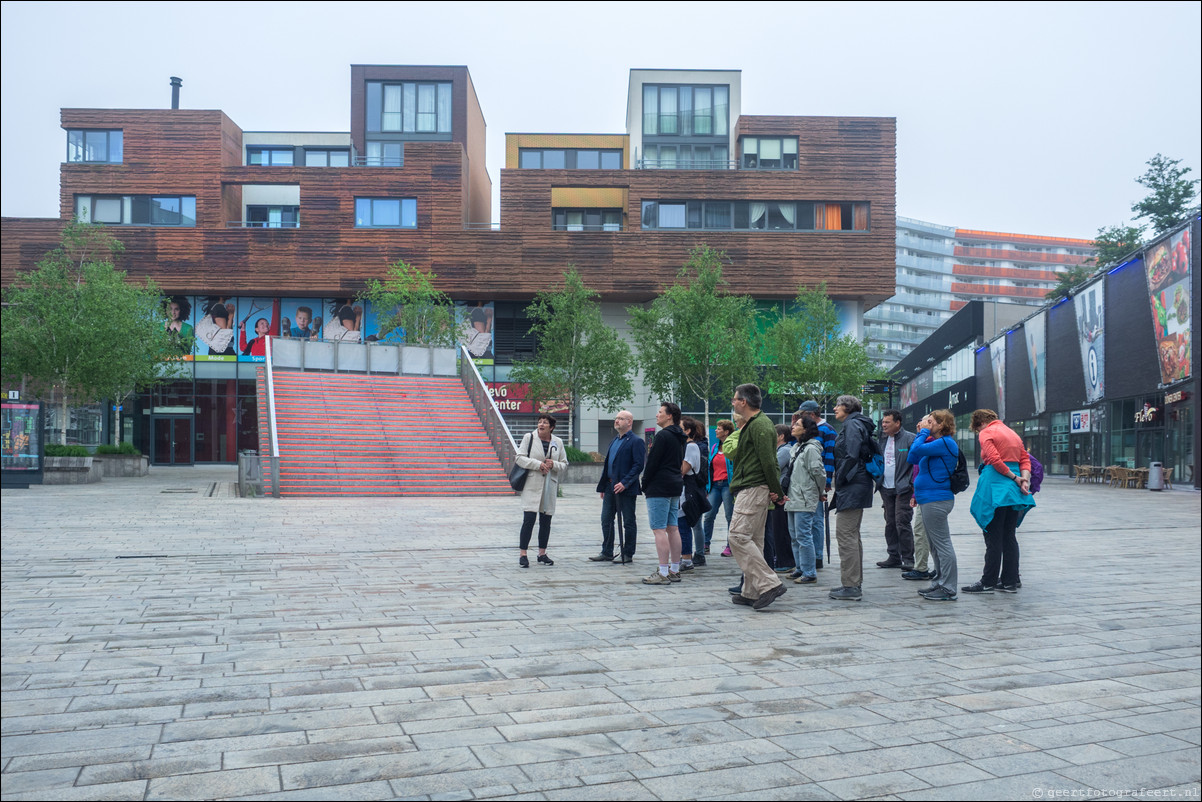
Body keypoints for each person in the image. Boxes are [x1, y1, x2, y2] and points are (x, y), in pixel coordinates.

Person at [727, 383, 787, 611]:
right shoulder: (754, 424)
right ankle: (751, 592)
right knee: (754, 541)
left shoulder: (761, 425)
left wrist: (777, 492)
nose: (732, 403)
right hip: (754, 487)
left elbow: (769, 462)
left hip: (753, 487)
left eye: (735, 399)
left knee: (738, 536)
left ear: (744, 401)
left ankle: (769, 584)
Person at [963, 409, 1035, 594]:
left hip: (995, 486)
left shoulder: (987, 432)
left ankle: (988, 582)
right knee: (1009, 536)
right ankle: (1010, 581)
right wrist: (1023, 479)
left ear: (980, 423)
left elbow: (994, 459)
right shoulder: (1013, 434)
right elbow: (1025, 460)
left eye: (976, 429)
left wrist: (1012, 477)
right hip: (1014, 491)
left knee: (993, 536)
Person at [907, 410, 960, 601]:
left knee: (942, 544)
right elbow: (912, 458)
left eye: (930, 421)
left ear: (941, 424)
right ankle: (939, 582)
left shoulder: (945, 442)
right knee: (935, 546)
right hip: (929, 498)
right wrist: (924, 434)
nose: (926, 424)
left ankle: (949, 588)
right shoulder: (936, 443)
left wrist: (922, 433)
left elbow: (914, 451)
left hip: (936, 499)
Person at [830, 394, 876, 601]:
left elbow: (851, 454)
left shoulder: (852, 426)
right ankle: (853, 582)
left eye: (837, 405)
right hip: (857, 483)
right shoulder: (857, 424)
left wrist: (838, 479)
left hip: (852, 484)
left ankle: (850, 585)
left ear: (847, 407)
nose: (834, 408)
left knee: (845, 534)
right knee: (852, 534)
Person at [641, 402, 687, 585]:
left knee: (659, 529)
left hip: (659, 485)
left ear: (670, 416)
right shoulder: (680, 436)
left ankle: (662, 571)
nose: (657, 415)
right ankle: (675, 569)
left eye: (660, 412)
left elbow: (652, 462)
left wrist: (645, 483)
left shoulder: (662, 436)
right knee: (673, 528)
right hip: (675, 483)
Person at [514, 414, 567, 568]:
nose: (541, 425)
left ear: (551, 427)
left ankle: (542, 553)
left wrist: (554, 464)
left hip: (549, 486)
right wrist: (538, 464)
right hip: (532, 484)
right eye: (539, 422)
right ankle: (523, 554)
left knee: (546, 521)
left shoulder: (558, 442)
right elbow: (519, 458)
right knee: (528, 520)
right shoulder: (529, 438)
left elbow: (564, 464)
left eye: (545, 422)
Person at [591, 410, 644, 564]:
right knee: (606, 519)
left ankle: (627, 553)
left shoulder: (636, 441)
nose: (617, 421)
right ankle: (607, 551)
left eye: (621, 419)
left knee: (628, 521)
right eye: (616, 418)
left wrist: (625, 483)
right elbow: (609, 464)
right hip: (610, 486)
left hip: (625, 488)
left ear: (629, 422)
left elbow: (638, 465)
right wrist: (603, 486)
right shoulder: (615, 440)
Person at [784, 417, 825, 584]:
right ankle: (800, 568)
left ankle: (809, 572)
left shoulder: (811, 449)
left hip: (804, 497)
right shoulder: (796, 447)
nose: (793, 427)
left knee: (803, 536)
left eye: (797, 425)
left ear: (806, 430)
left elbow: (818, 472)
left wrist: (819, 491)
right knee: (794, 536)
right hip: (793, 496)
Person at [875, 409, 916, 570]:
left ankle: (908, 558)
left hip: (903, 488)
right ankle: (893, 556)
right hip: (885, 487)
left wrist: (910, 483)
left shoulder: (910, 439)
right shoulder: (882, 439)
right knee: (890, 522)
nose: (883, 425)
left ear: (897, 423)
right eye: (883, 422)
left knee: (902, 522)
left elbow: (915, 464)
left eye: (887, 422)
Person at [798, 400, 836, 570]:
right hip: (803, 482)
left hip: (818, 481)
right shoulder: (806, 429)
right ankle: (809, 556)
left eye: (802, 415)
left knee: (817, 520)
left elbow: (829, 457)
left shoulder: (827, 430)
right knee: (809, 521)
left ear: (812, 414)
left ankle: (818, 556)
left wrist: (826, 482)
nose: (800, 418)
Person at [676, 416, 707, 571]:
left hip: (687, 490)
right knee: (679, 524)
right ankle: (683, 556)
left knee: (684, 525)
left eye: (680, 426)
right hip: (680, 490)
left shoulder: (691, 446)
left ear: (687, 430)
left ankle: (687, 558)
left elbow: (682, 470)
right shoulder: (681, 445)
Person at [702, 419, 735, 556]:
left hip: (728, 485)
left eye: (719, 428)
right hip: (715, 485)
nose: (716, 430)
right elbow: (710, 467)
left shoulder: (732, 447)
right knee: (708, 515)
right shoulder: (715, 447)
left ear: (726, 432)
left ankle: (730, 546)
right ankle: (705, 544)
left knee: (730, 516)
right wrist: (707, 487)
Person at [767, 423, 795, 573]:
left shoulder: (784, 451)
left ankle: (786, 561)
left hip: (781, 494)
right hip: (778, 494)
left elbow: (772, 467)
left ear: (781, 436)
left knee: (780, 528)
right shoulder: (781, 450)